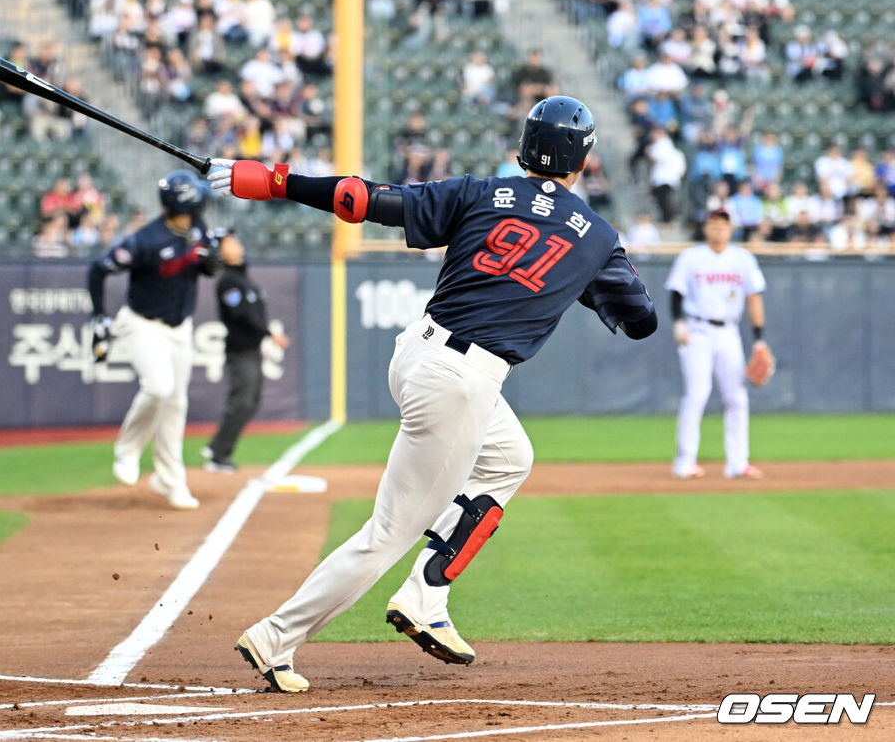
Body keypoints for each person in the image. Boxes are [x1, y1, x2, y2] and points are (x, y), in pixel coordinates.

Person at [206, 95, 658, 692]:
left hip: (419, 350)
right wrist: (580, 276)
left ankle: (426, 594)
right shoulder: (597, 237)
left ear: (524, 148)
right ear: (583, 160)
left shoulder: (480, 192)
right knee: (386, 534)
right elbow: (641, 320)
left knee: (510, 457)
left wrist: (273, 181)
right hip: (462, 382)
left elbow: (363, 198)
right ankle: (276, 636)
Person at [87, 171, 221, 510]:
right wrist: (99, 316)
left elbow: (209, 269)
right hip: (142, 324)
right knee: (159, 387)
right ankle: (128, 450)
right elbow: (99, 269)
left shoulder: (197, 227)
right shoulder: (145, 240)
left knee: (176, 404)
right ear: (184, 204)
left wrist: (211, 260)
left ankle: (170, 480)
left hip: (180, 327)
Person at [666, 208, 767, 480]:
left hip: (729, 333)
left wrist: (759, 341)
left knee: (737, 398)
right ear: (706, 228)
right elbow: (676, 293)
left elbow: (754, 298)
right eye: (714, 224)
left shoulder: (743, 259)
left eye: (724, 224)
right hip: (697, 331)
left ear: (730, 229)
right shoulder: (691, 257)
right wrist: (678, 323)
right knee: (696, 395)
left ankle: (738, 464)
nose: (719, 229)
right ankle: (684, 462)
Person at [201, 232, 290, 473]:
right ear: (220, 251)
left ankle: (218, 449)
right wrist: (269, 334)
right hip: (239, 350)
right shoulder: (228, 281)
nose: (237, 244)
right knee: (242, 401)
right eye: (229, 242)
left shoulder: (244, 279)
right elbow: (242, 315)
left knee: (251, 402)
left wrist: (261, 340)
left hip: (251, 349)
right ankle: (218, 453)